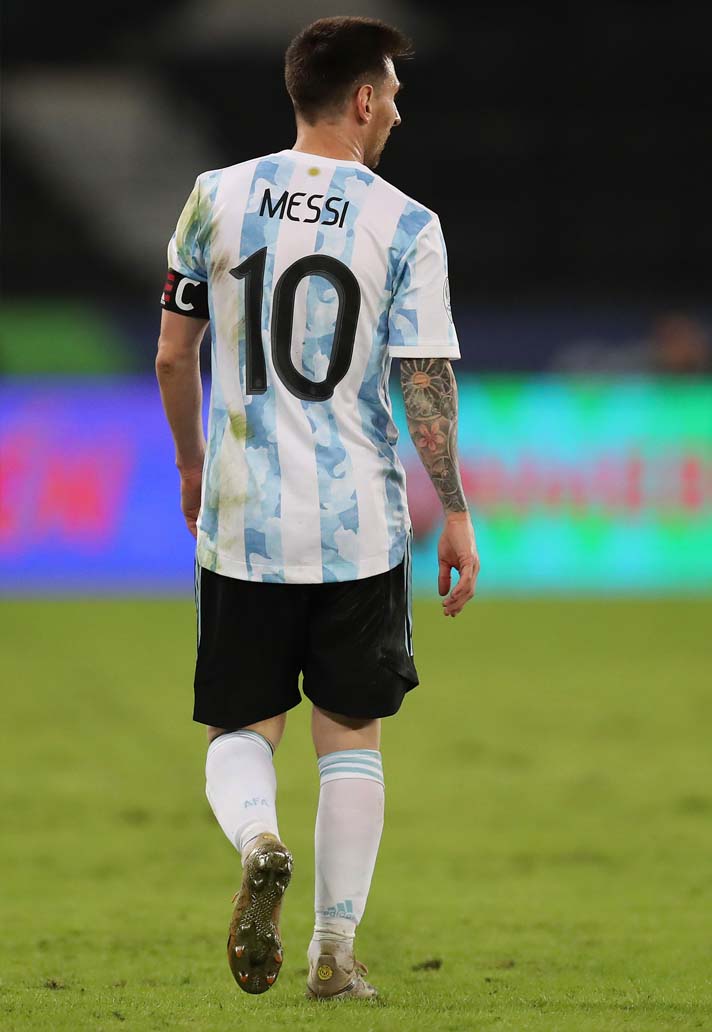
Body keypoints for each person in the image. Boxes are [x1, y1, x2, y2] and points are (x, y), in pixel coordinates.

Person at [155, 15, 479, 1001]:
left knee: (241, 726)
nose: (399, 114)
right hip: (357, 525)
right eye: (394, 96)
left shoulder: (215, 196)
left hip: (243, 516)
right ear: (364, 100)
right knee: (351, 735)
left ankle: (259, 837)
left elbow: (173, 354)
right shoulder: (406, 223)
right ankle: (333, 955)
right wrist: (455, 509)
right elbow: (422, 380)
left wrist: (191, 467)